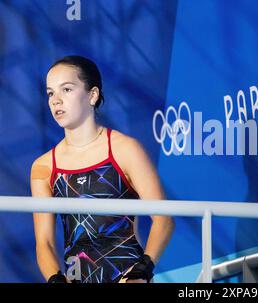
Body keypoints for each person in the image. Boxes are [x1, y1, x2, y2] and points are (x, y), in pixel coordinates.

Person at [30, 55, 174, 283]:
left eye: (66, 89)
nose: (56, 100)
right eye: (50, 93)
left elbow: (164, 219)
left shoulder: (125, 150)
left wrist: (142, 272)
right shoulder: (43, 167)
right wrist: (55, 280)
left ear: (93, 95)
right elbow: (44, 242)